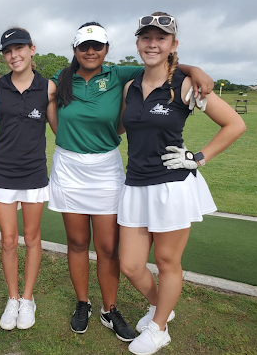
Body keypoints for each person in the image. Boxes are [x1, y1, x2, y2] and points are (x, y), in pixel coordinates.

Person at [48, 22, 214, 340]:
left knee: (109, 248)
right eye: (84, 46)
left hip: (106, 168)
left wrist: (195, 68)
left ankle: (109, 309)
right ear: (75, 50)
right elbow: (43, 100)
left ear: (107, 49)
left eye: (97, 45)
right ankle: (82, 303)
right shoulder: (61, 78)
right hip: (69, 169)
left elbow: (160, 63)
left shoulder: (119, 75)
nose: (91, 51)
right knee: (78, 243)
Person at [117, 12, 246, 355]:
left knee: (167, 262)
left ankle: (159, 328)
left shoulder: (186, 86)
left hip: (171, 185)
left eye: (161, 38)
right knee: (129, 264)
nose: (153, 44)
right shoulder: (130, 86)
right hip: (135, 184)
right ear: (138, 43)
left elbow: (234, 124)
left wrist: (198, 158)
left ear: (174, 45)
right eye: (147, 37)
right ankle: (163, 307)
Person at [0, 28, 57, 330]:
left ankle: (28, 299)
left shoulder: (49, 88)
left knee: (32, 237)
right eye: (8, 51)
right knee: (9, 240)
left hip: (34, 173)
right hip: (2, 172)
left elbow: (59, 129)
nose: (14, 56)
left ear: (32, 49)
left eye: (19, 49)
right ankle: (12, 298)